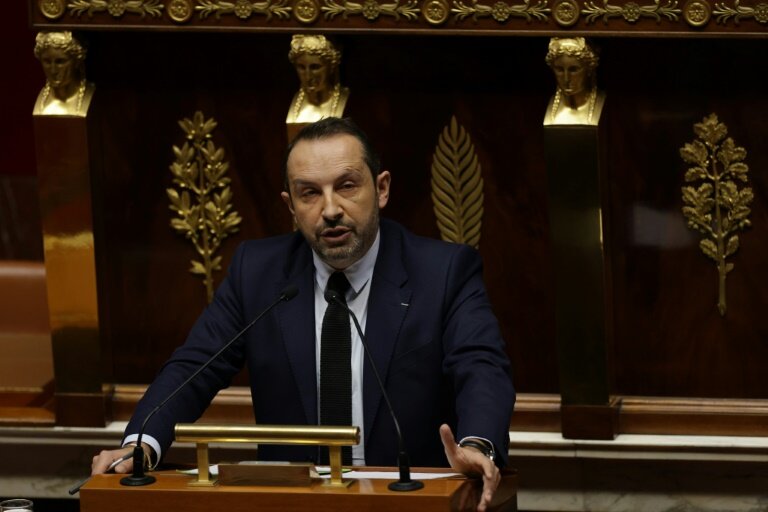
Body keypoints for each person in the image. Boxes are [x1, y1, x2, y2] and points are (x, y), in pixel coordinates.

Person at [92, 117, 514, 511]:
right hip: (289, 500)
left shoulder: (443, 272)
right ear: (290, 206)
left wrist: (478, 443)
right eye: (309, 193)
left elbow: (481, 365)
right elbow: (193, 368)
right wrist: (141, 442)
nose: (330, 209)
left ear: (381, 189)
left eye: (347, 186)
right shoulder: (257, 272)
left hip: (407, 499)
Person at [286, 35, 350, 124]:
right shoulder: (294, 104)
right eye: (301, 67)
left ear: (331, 67)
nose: (308, 76)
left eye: (315, 67)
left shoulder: (344, 98)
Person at [544, 37, 605, 126]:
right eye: (559, 69)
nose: (566, 79)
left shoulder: (606, 105)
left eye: (574, 70)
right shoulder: (543, 105)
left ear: (589, 69)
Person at [33, 31, 94, 116]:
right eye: (47, 61)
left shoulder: (90, 95)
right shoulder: (42, 102)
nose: (53, 70)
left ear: (76, 61)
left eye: (60, 62)